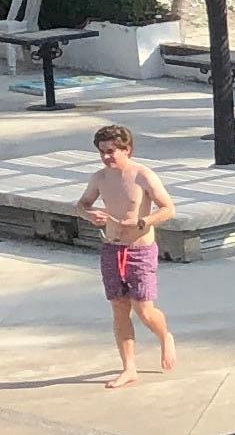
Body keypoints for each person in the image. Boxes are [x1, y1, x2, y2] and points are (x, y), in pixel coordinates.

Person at [76, 122, 178, 389]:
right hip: (111, 247)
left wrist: (143, 223)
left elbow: (168, 209)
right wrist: (90, 215)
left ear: (127, 149)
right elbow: (82, 204)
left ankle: (165, 336)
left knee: (143, 310)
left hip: (139, 250)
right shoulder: (99, 178)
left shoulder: (142, 175)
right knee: (119, 309)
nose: (107, 157)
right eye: (102, 152)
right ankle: (129, 368)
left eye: (111, 151)